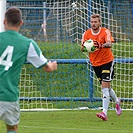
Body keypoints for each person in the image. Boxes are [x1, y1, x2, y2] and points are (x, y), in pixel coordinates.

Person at [0, 6, 57, 133]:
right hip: (8, 94)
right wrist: (53, 65)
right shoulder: (27, 43)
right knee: (12, 127)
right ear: (21, 23)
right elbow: (46, 67)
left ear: (4, 21)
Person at [81, 14, 122, 121]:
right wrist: (87, 48)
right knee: (107, 87)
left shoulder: (105, 31)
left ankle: (104, 112)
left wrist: (100, 45)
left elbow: (109, 44)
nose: (93, 24)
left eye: (96, 22)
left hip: (107, 62)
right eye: (92, 22)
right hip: (95, 64)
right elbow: (82, 48)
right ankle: (117, 101)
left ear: (100, 23)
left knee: (104, 88)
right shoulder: (86, 34)